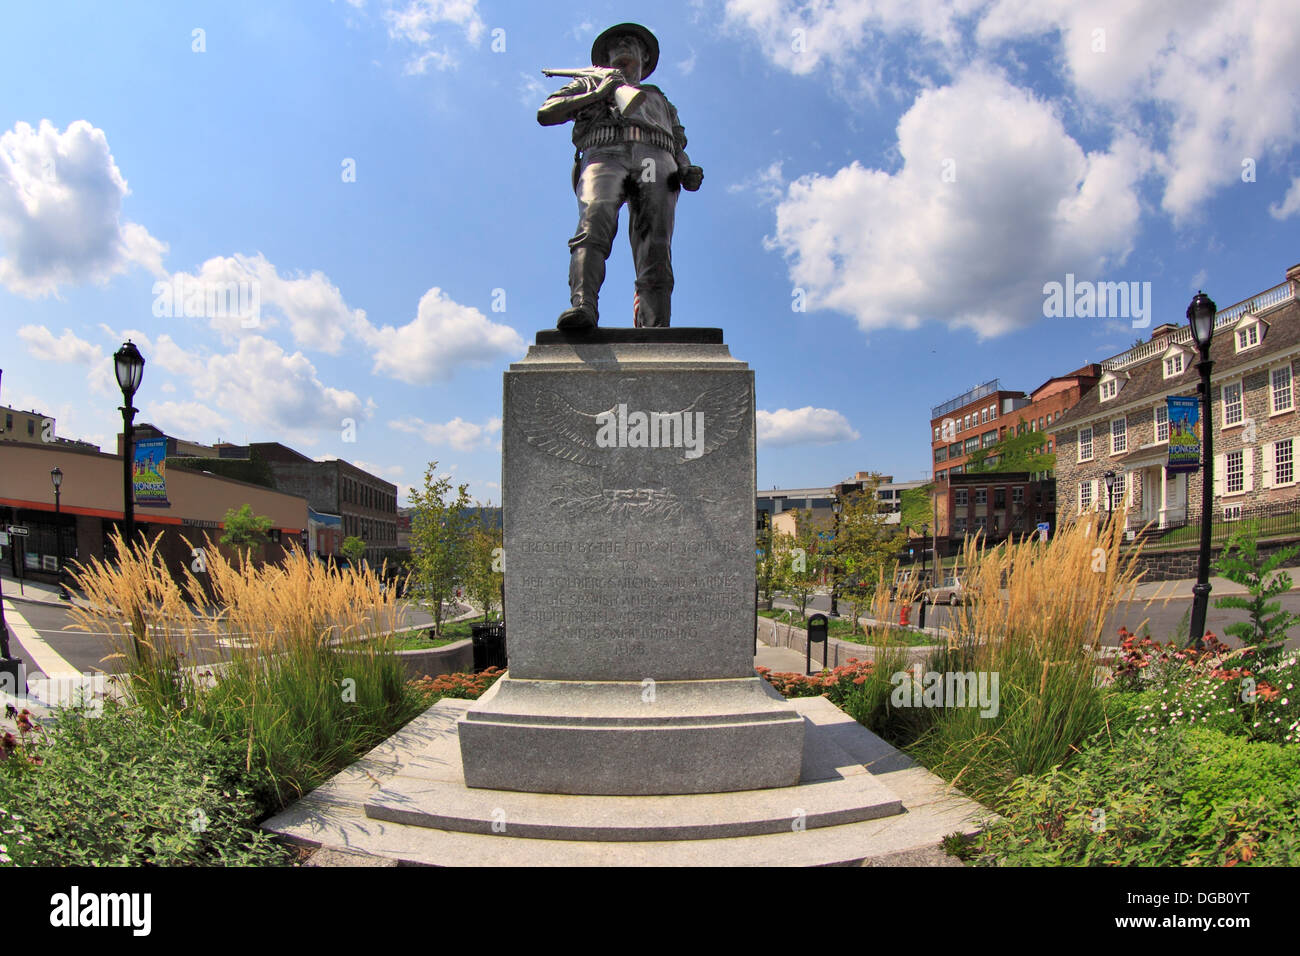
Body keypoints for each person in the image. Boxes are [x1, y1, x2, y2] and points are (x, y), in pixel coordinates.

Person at [538, 23, 704, 330]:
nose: (624, 46)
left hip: (656, 157)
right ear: (606, 56)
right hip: (604, 152)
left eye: (631, 43)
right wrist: (598, 93)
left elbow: (678, 142)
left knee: (655, 241)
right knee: (594, 220)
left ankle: (656, 326)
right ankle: (584, 306)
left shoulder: (660, 99)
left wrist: (685, 167)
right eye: (617, 44)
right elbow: (547, 113)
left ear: (645, 56)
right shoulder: (588, 83)